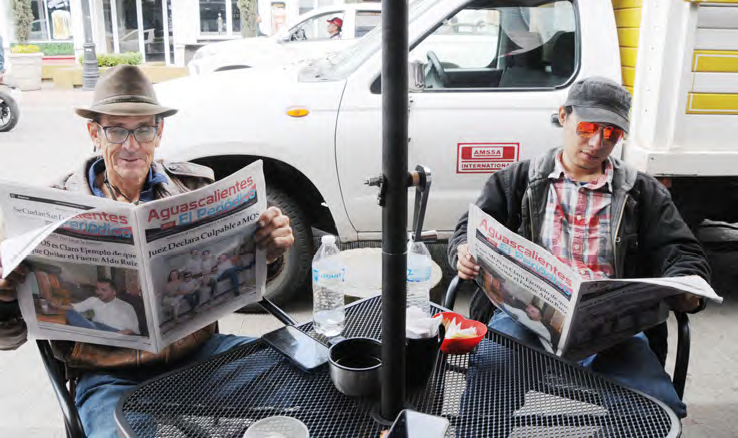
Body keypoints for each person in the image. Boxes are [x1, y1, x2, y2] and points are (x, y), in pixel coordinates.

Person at [0, 65, 295, 437]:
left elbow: (244, 278)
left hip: (199, 358)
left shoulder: (194, 187)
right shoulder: (47, 207)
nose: (131, 145)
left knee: (304, 373)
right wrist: (5, 298)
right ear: (94, 132)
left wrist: (269, 252)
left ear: (159, 131)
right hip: (109, 376)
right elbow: (7, 335)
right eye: (117, 130)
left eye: (143, 129)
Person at [448, 76, 710, 418]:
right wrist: (463, 254)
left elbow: (682, 251)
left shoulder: (642, 194)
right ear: (563, 116)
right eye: (588, 126)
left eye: (612, 134)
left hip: (612, 330)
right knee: (490, 391)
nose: (598, 142)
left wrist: (686, 287)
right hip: (525, 321)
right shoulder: (517, 181)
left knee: (658, 412)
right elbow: (470, 229)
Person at [58, 279, 140, 335]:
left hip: (114, 333)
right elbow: (74, 307)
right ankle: (94, 333)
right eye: (97, 289)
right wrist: (58, 306)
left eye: (103, 290)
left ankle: (95, 334)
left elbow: (132, 329)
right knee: (70, 313)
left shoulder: (126, 307)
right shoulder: (93, 300)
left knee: (90, 328)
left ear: (114, 292)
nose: (99, 292)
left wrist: (115, 336)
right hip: (94, 327)